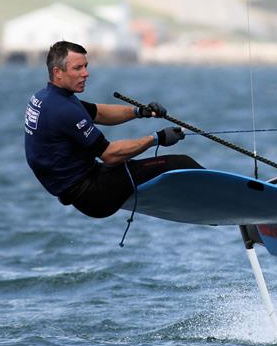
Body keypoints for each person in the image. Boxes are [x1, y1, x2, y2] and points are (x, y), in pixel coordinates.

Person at [24, 41, 203, 218]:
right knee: (179, 163)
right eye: (78, 68)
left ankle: (196, 206)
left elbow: (99, 113)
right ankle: (221, 202)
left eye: (86, 66)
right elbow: (109, 154)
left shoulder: (47, 97)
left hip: (86, 185)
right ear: (58, 72)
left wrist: (140, 112)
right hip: (94, 194)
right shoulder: (63, 109)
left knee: (156, 169)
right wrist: (158, 138)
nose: (86, 73)